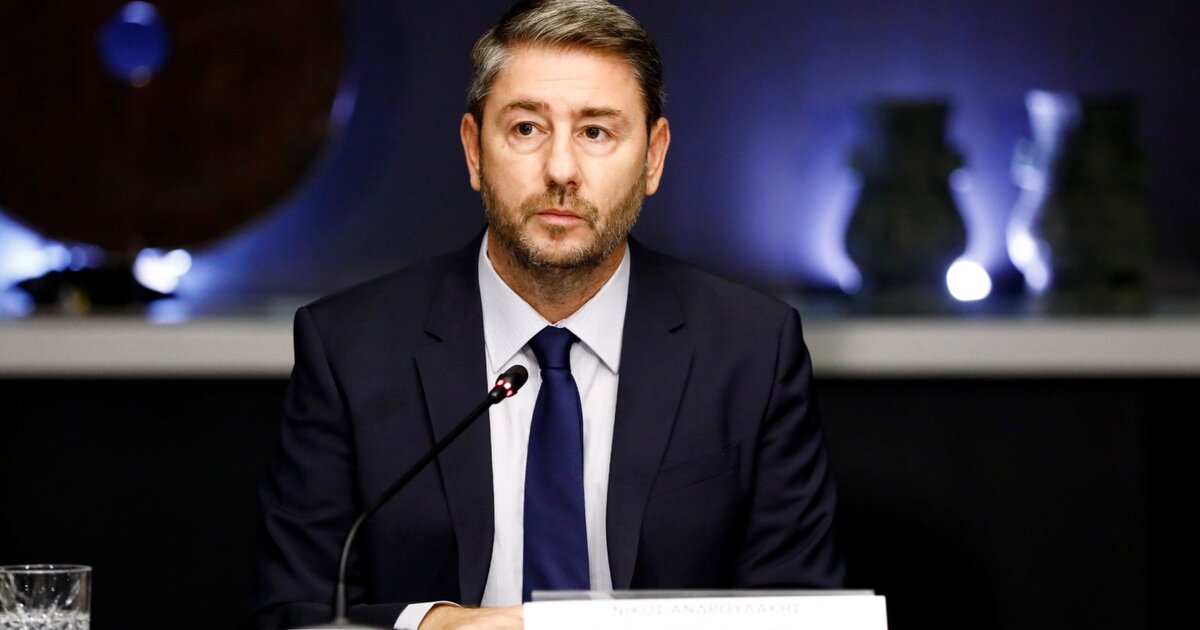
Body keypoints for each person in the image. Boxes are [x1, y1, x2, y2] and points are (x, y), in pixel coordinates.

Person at [252, 1, 844, 628]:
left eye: (596, 132)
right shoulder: (350, 350)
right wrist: (432, 625)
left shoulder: (751, 349)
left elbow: (800, 612)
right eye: (527, 128)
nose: (561, 170)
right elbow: (295, 612)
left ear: (653, 158)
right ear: (474, 151)